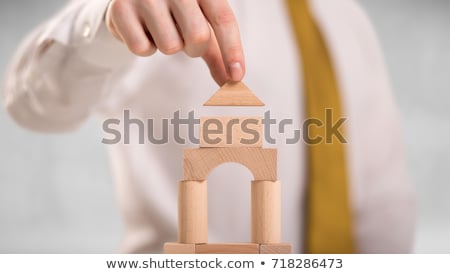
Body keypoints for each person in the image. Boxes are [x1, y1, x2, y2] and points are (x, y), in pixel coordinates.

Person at [2, 0, 415, 253]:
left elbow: (381, 199)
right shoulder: (160, 6)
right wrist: (107, 22)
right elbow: (30, 105)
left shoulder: (345, 16)